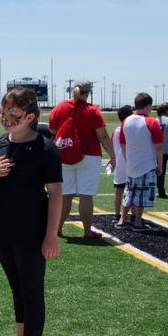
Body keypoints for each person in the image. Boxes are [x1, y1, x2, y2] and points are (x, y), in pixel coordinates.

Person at [0, 87, 62, 336]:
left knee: (32, 292)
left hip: (31, 233)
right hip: (2, 230)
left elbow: (56, 194)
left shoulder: (45, 147)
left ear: (29, 116)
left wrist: (51, 235)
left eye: (13, 114)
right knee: (17, 290)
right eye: (3, 113)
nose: (6, 119)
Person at [48, 79, 115, 240]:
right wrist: (113, 156)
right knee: (86, 195)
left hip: (64, 155)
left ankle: (57, 229)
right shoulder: (92, 110)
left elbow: (52, 129)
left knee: (65, 196)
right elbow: (103, 136)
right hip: (89, 156)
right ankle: (87, 232)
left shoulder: (59, 108)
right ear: (88, 93)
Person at [117, 93, 164, 232]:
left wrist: (127, 160)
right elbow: (159, 146)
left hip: (131, 164)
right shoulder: (152, 122)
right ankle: (137, 222)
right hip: (146, 164)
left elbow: (122, 144)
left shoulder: (126, 121)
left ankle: (122, 220)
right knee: (142, 194)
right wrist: (160, 165)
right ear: (148, 106)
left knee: (129, 192)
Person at [110, 105, 134, 220]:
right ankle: (133, 215)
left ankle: (116, 213)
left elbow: (111, 145)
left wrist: (112, 158)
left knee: (119, 191)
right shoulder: (130, 131)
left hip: (119, 165)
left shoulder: (116, 131)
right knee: (133, 190)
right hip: (130, 165)